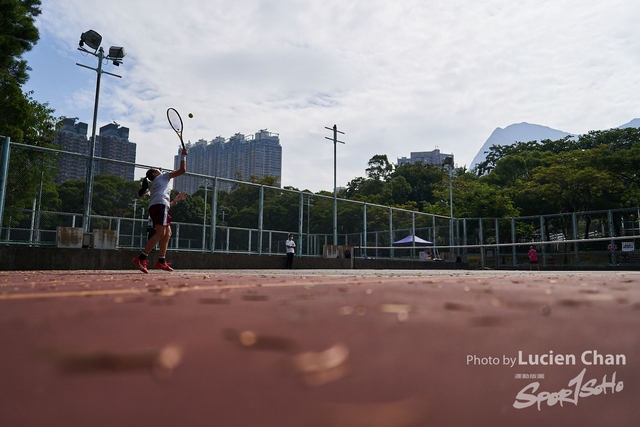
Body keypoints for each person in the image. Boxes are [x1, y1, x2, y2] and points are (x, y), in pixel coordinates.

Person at [133, 148, 188, 273]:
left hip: (159, 207)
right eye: (157, 170)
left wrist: (175, 200)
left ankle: (161, 261)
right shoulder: (162, 177)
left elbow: (165, 205)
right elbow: (182, 170)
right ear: (154, 174)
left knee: (167, 234)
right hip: (159, 207)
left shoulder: (158, 184)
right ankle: (141, 258)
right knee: (160, 234)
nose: (160, 170)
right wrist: (183, 156)